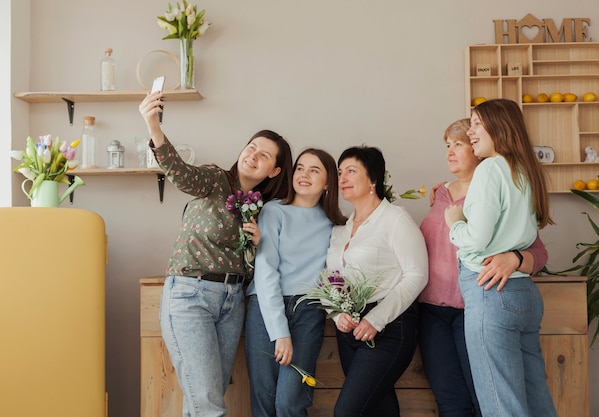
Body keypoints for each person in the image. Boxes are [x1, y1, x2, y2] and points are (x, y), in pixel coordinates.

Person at [138, 90, 293, 417]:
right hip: (190, 295)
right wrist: (153, 125)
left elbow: (260, 269)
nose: (254, 155)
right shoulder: (213, 179)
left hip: (232, 301)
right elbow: (180, 172)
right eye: (252, 147)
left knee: (203, 400)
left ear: (275, 171)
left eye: (265, 155)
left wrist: (258, 243)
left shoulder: (263, 211)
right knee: (208, 404)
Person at [418, 118, 549, 417]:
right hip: (432, 313)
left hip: (477, 307)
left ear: (477, 148)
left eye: (459, 144)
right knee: (450, 401)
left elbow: (538, 252)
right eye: (447, 146)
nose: (450, 152)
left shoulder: (501, 188)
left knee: (487, 400)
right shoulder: (439, 195)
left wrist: (515, 258)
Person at [326, 145, 428, 417]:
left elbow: (417, 274)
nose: (342, 178)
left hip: (389, 330)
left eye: (351, 171)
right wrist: (337, 315)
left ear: (373, 179)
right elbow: (330, 279)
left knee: (347, 412)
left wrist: (377, 319)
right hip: (349, 331)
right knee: (379, 409)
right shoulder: (341, 228)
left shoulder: (395, 219)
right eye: (339, 172)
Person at [245, 148, 346, 417]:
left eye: (314, 170)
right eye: (300, 168)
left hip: (308, 311)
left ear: (327, 183)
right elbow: (266, 273)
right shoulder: (273, 212)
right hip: (265, 307)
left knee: (290, 402)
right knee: (263, 398)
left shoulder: (336, 224)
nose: (304, 175)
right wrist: (280, 332)